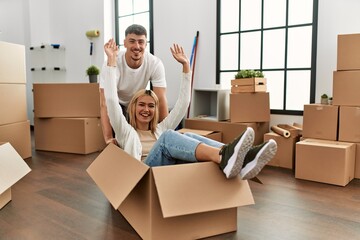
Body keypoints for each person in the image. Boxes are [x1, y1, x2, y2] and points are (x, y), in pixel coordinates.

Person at [102, 43, 277, 180]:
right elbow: (110, 99)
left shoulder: (159, 129)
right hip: (143, 177)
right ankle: (224, 156)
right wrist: (111, 62)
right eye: (141, 105)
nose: (146, 109)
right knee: (169, 136)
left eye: (151, 105)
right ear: (133, 107)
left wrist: (186, 66)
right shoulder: (125, 132)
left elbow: (183, 103)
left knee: (188, 137)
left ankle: (245, 159)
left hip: (166, 175)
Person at [99, 24, 168, 146]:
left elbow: (160, 100)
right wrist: (109, 138)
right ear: (124, 43)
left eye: (141, 42)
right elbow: (105, 102)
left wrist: (164, 134)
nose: (137, 46)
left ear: (146, 44)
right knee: (119, 141)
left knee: (138, 139)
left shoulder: (155, 63)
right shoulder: (111, 62)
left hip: (137, 102)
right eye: (132, 41)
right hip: (116, 102)